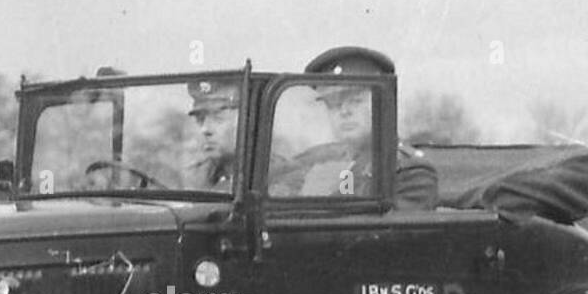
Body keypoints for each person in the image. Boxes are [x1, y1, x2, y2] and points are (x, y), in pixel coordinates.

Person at [271, 47, 439, 209]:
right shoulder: (322, 159)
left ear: (382, 103)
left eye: (355, 100)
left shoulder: (410, 172)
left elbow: (385, 232)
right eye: (333, 104)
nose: (344, 112)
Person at [185, 79, 240, 190]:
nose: (205, 129)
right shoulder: (198, 175)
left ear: (245, 118)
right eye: (200, 118)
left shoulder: (273, 177)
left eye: (218, 116)